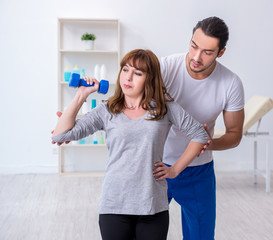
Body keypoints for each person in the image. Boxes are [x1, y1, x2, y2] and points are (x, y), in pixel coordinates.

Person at [51, 49, 209, 240]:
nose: (128, 77)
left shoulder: (164, 109)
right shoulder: (107, 110)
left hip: (152, 205)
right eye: (125, 70)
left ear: (150, 79)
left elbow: (199, 134)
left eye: (138, 73)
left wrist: (174, 170)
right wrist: (81, 95)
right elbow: (60, 135)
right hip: (114, 204)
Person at [154, 16, 245, 240]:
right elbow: (130, 103)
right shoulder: (164, 67)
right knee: (144, 234)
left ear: (220, 52)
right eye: (194, 46)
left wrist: (209, 142)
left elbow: (234, 135)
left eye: (207, 52)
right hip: (156, 164)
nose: (196, 57)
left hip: (197, 170)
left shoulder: (230, 83)